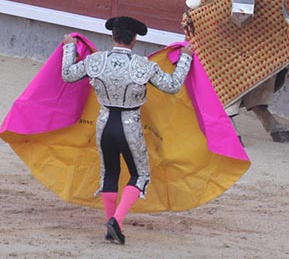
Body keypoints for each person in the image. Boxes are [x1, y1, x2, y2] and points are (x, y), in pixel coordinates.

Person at [61, 16, 193, 244]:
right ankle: (116, 221)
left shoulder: (95, 61)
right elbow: (172, 86)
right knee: (140, 175)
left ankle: (111, 225)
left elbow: (67, 74)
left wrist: (69, 48)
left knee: (109, 173)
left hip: (104, 125)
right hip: (129, 125)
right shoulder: (144, 65)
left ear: (112, 37)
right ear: (134, 40)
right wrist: (185, 60)